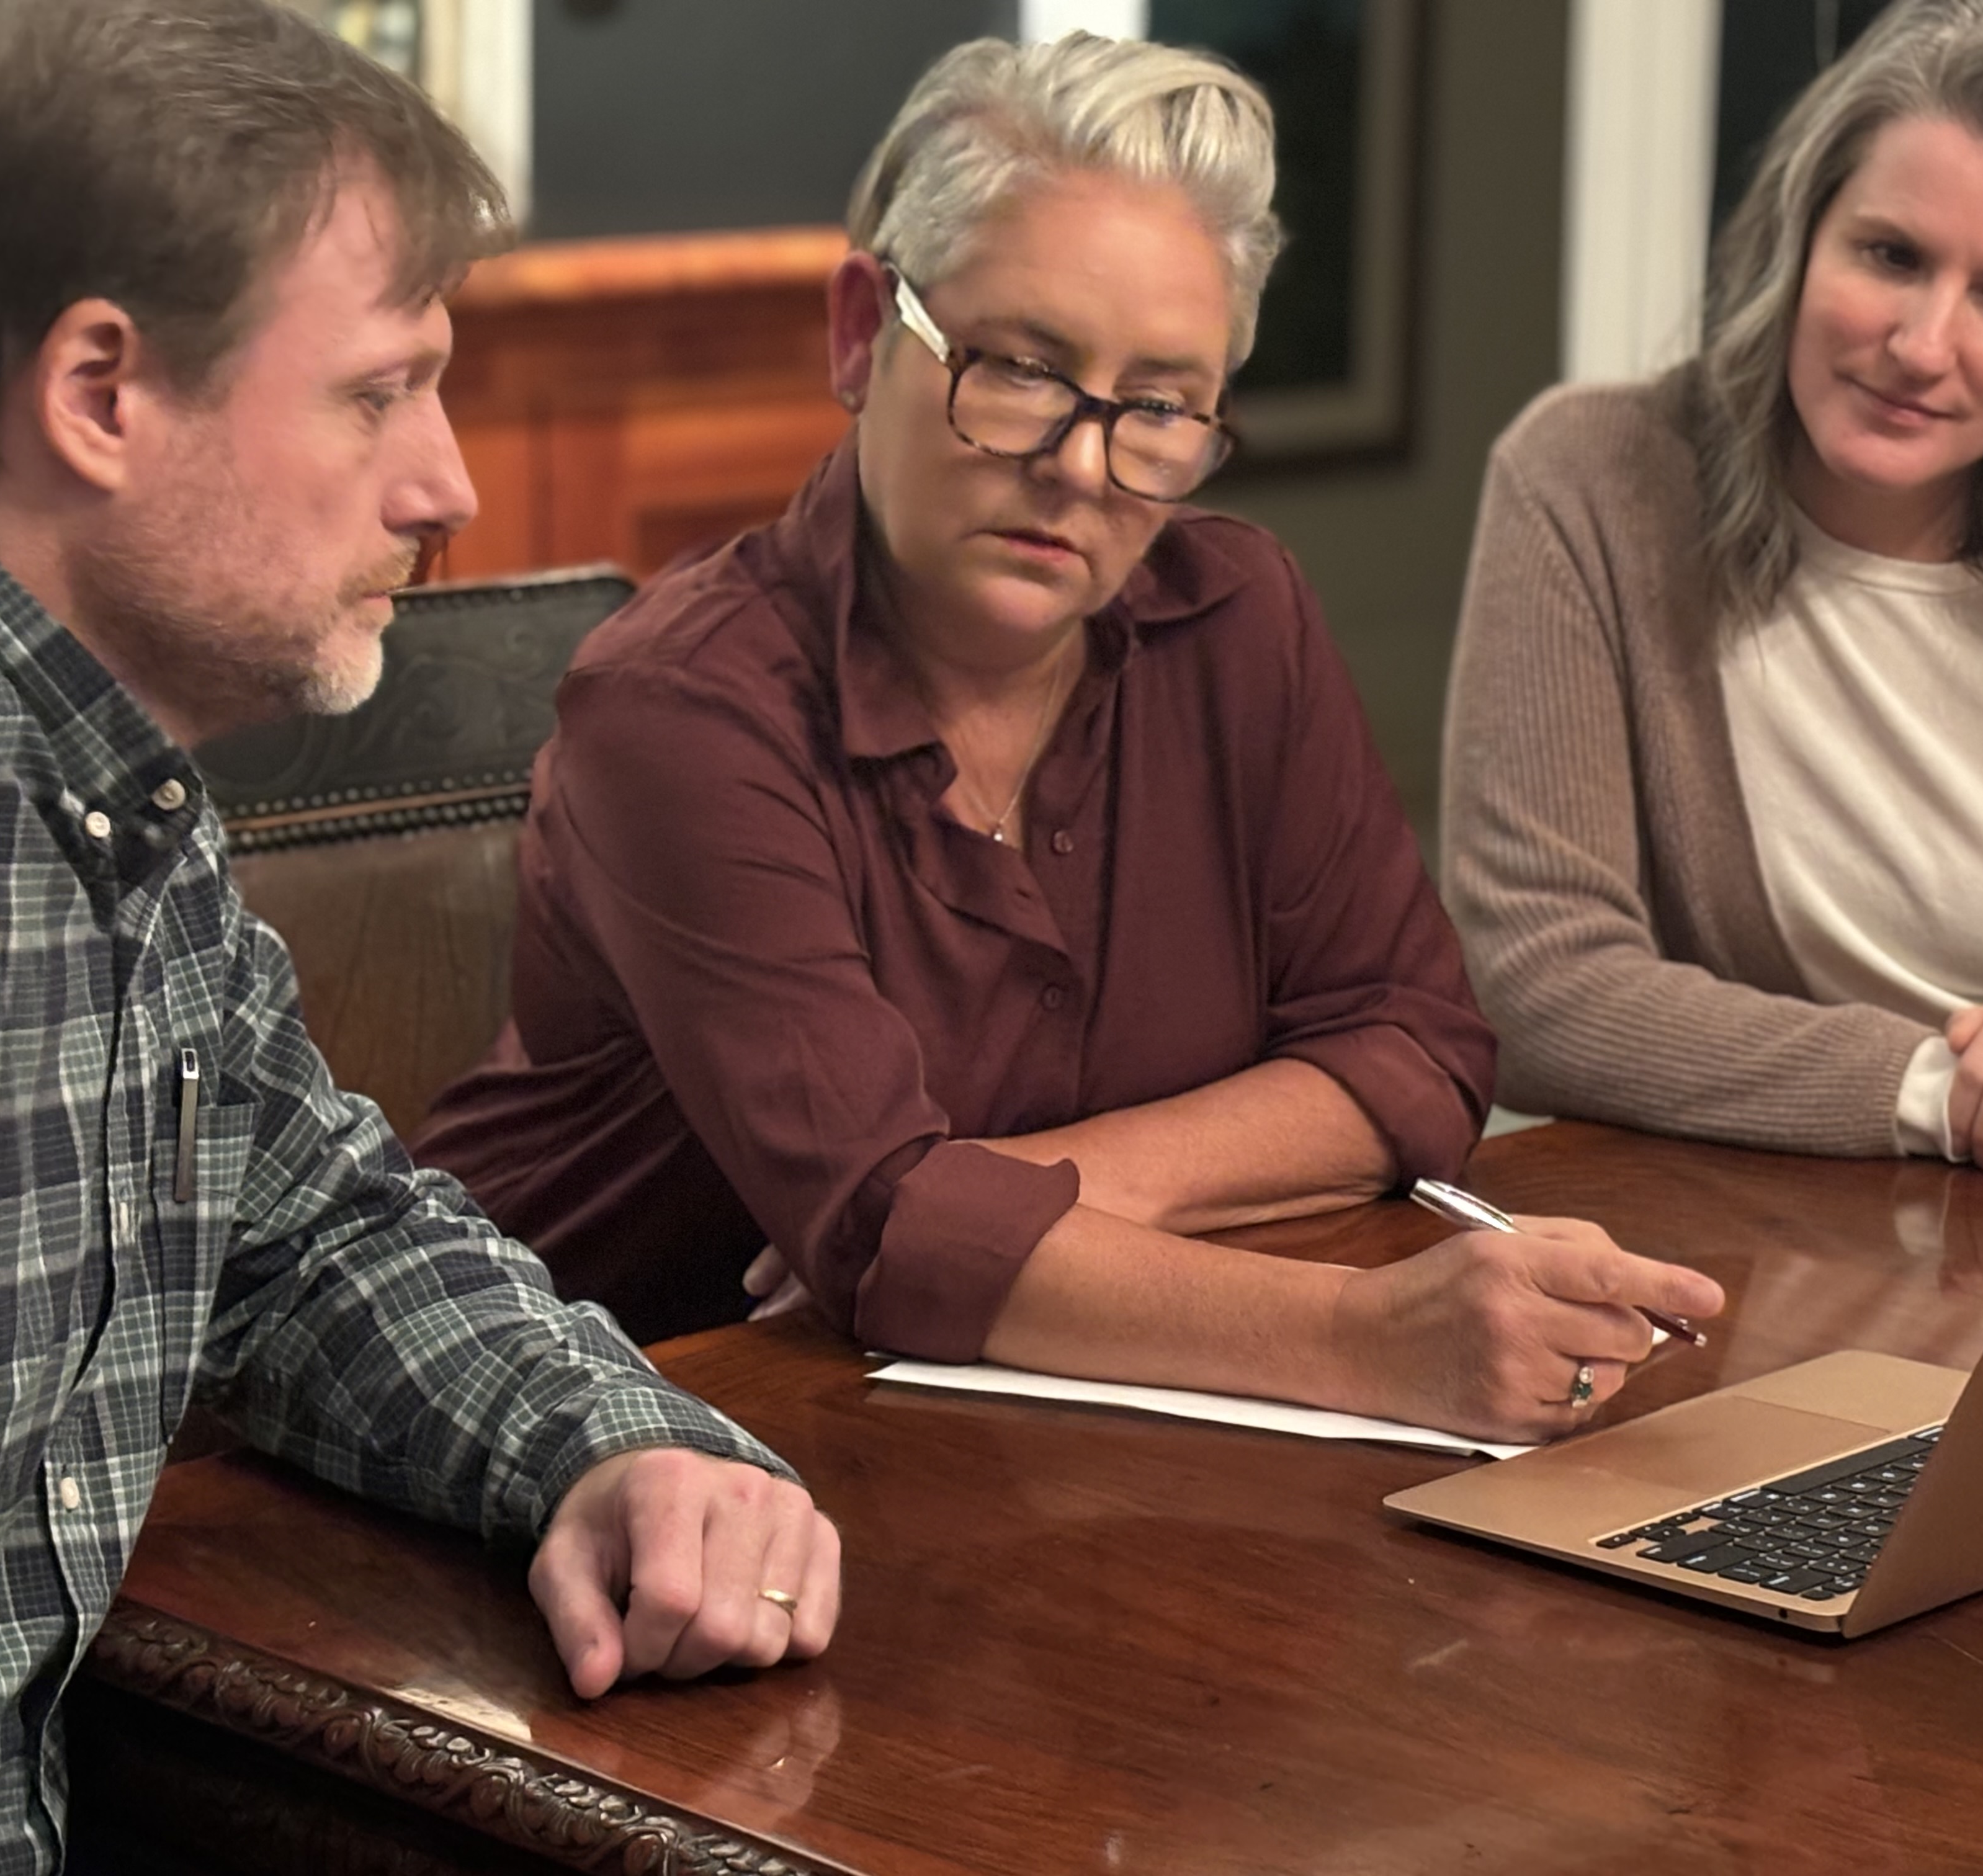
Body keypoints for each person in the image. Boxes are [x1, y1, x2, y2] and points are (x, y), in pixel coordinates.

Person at [0, 2, 838, 1868]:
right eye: (376, 391)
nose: (447, 486)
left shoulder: (96, 785)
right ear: (101, 390)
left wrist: (611, 1444)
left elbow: (313, 1238)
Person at [414, 34, 1722, 1444]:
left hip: (1024, 1427)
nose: (1084, 469)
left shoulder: (1237, 616)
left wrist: (1000, 1198)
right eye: (1023, 370)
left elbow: (1417, 1045)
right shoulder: (680, 707)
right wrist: (1373, 1338)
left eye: (1159, 407)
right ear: (864, 333)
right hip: (595, 1429)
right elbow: (884, 1233)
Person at [1443, 0, 1983, 1182]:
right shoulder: (1591, 484)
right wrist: (1954, 1093)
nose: (1924, 347)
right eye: (1892, 256)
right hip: (1723, 1253)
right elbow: (1535, 984)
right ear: (1800, 235)